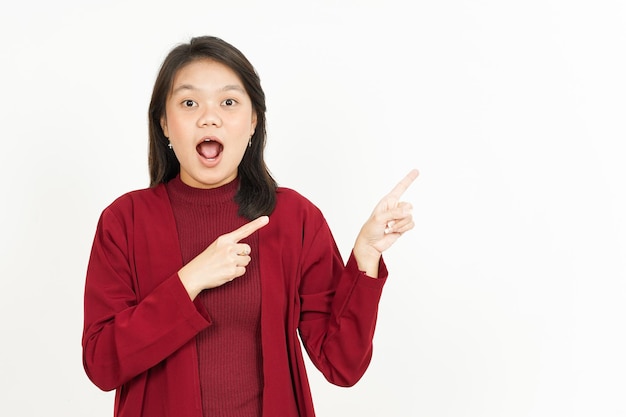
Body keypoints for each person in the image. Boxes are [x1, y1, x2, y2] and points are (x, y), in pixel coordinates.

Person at [82, 35, 419, 417]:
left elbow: (342, 364)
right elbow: (101, 363)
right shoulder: (124, 221)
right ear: (163, 123)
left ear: (254, 120)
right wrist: (190, 279)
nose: (210, 117)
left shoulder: (294, 217)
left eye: (228, 102)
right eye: (189, 102)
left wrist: (366, 255)